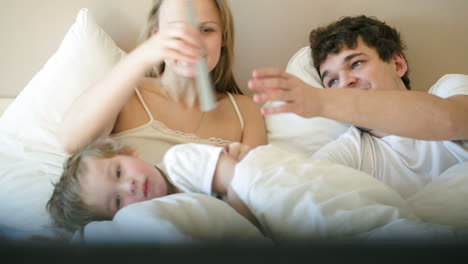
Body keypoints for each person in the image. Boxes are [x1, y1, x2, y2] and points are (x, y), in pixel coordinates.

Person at [248, 15, 468, 198]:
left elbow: (452, 121)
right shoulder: (351, 152)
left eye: (356, 64)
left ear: (397, 64)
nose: (345, 83)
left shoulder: (450, 88)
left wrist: (321, 101)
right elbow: (302, 196)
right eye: (332, 81)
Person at [58, 0, 267, 166]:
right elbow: (72, 143)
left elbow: (259, 196)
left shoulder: (245, 111)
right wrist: (141, 57)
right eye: (178, 30)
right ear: (156, 36)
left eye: (206, 30)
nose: (193, 42)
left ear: (223, 38)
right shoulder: (127, 94)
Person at [47, 138, 257, 232]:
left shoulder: (179, 162)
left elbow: (239, 179)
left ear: (127, 152)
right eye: (118, 201)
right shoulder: (158, 222)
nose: (129, 187)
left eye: (118, 172)